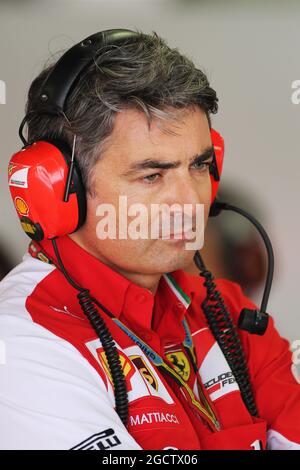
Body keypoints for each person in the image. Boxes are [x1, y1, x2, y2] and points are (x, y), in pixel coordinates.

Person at [0, 29, 299, 451]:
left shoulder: (228, 312)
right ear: (58, 191)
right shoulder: (21, 341)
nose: (190, 201)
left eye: (199, 166)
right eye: (152, 175)